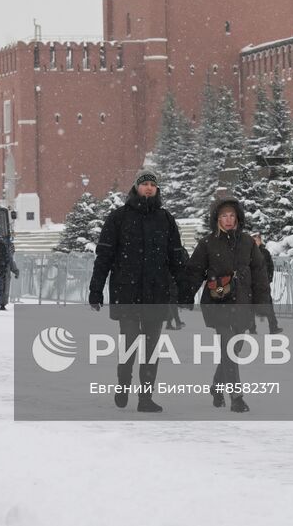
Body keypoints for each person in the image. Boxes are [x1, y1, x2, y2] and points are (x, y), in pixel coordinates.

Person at [89, 169, 190, 413]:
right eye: (144, 184)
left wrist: (185, 290)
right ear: (136, 187)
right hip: (127, 293)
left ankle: (145, 398)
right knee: (130, 344)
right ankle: (123, 385)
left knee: (152, 349)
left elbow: (176, 257)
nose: (148, 188)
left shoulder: (165, 219)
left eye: (152, 185)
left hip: (157, 294)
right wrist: (96, 290)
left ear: (157, 190)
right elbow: (104, 256)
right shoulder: (119, 217)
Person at [186, 196, 262, 413]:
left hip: (242, 303)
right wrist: (186, 294)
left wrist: (263, 302)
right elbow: (194, 271)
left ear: (237, 217)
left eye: (231, 216)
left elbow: (259, 274)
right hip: (217, 302)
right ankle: (237, 397)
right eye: (223, 216)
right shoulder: (208, 243)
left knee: (235, 349)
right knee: (229, 347)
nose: (228, 220)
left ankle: (217, 386)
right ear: (216, 219)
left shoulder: (247, 242)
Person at [249, 232, 283, 334]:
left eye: (257, 239)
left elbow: (270, 266)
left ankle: (273, 327)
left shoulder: (265, 252)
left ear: (260, 240)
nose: (256, 241)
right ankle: (252, 328)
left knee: (268, 305)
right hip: (251, 284)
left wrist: (269, 278)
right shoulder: (247, 252)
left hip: (263, 284)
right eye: (254, 240)